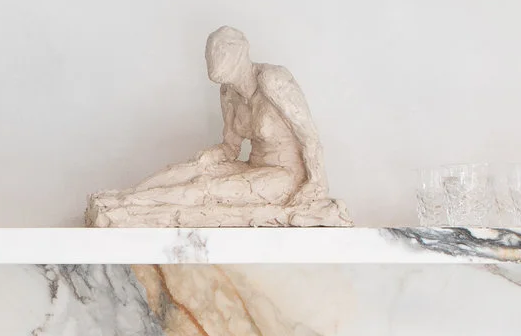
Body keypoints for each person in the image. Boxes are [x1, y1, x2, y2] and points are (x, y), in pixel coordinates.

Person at [85, 27, 352, 227]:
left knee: (207, 189)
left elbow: (309, 136)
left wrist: (316, 183)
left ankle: (132, 208)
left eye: (222, 51)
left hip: (285, 176)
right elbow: (231, 147)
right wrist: (210, 157)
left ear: (240, 51)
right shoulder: (228, 92)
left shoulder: (272, 80)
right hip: (254, 166)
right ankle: (125, 197)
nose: (214, 58)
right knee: (192, 170)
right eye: (212, 53)